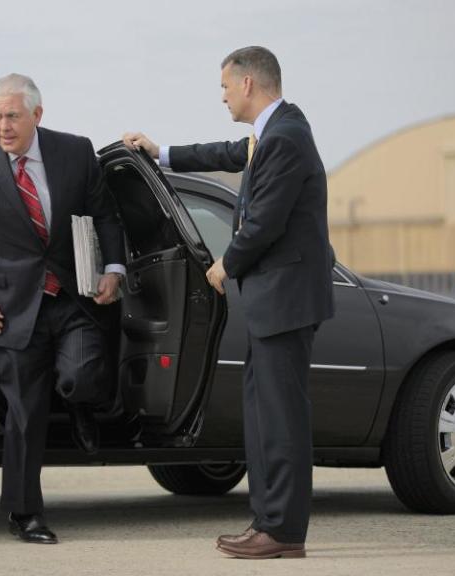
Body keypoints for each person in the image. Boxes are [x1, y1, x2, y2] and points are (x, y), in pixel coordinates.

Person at [123, 45, 334, 559]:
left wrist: (225, 264)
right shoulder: (274, 132)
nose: (221, 96)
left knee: (280, 419)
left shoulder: (285, 138)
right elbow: (224, 153)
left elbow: (265, 221)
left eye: (223, 87)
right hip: (274, 303)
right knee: (264, 417)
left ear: (247, 84)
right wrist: (162, 153)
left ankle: (282, 531)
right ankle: (269, 522)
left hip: (284, 301)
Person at [0, 73, 126, 545]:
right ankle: (25, 513)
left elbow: (105, 213)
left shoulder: (76, 152)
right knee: (24, 413)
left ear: (37, 116)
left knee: (83, 375)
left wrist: (114, 268)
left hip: (70, 296)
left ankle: (79, 404)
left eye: (12, 117)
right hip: (8, 307)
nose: (3, 126)